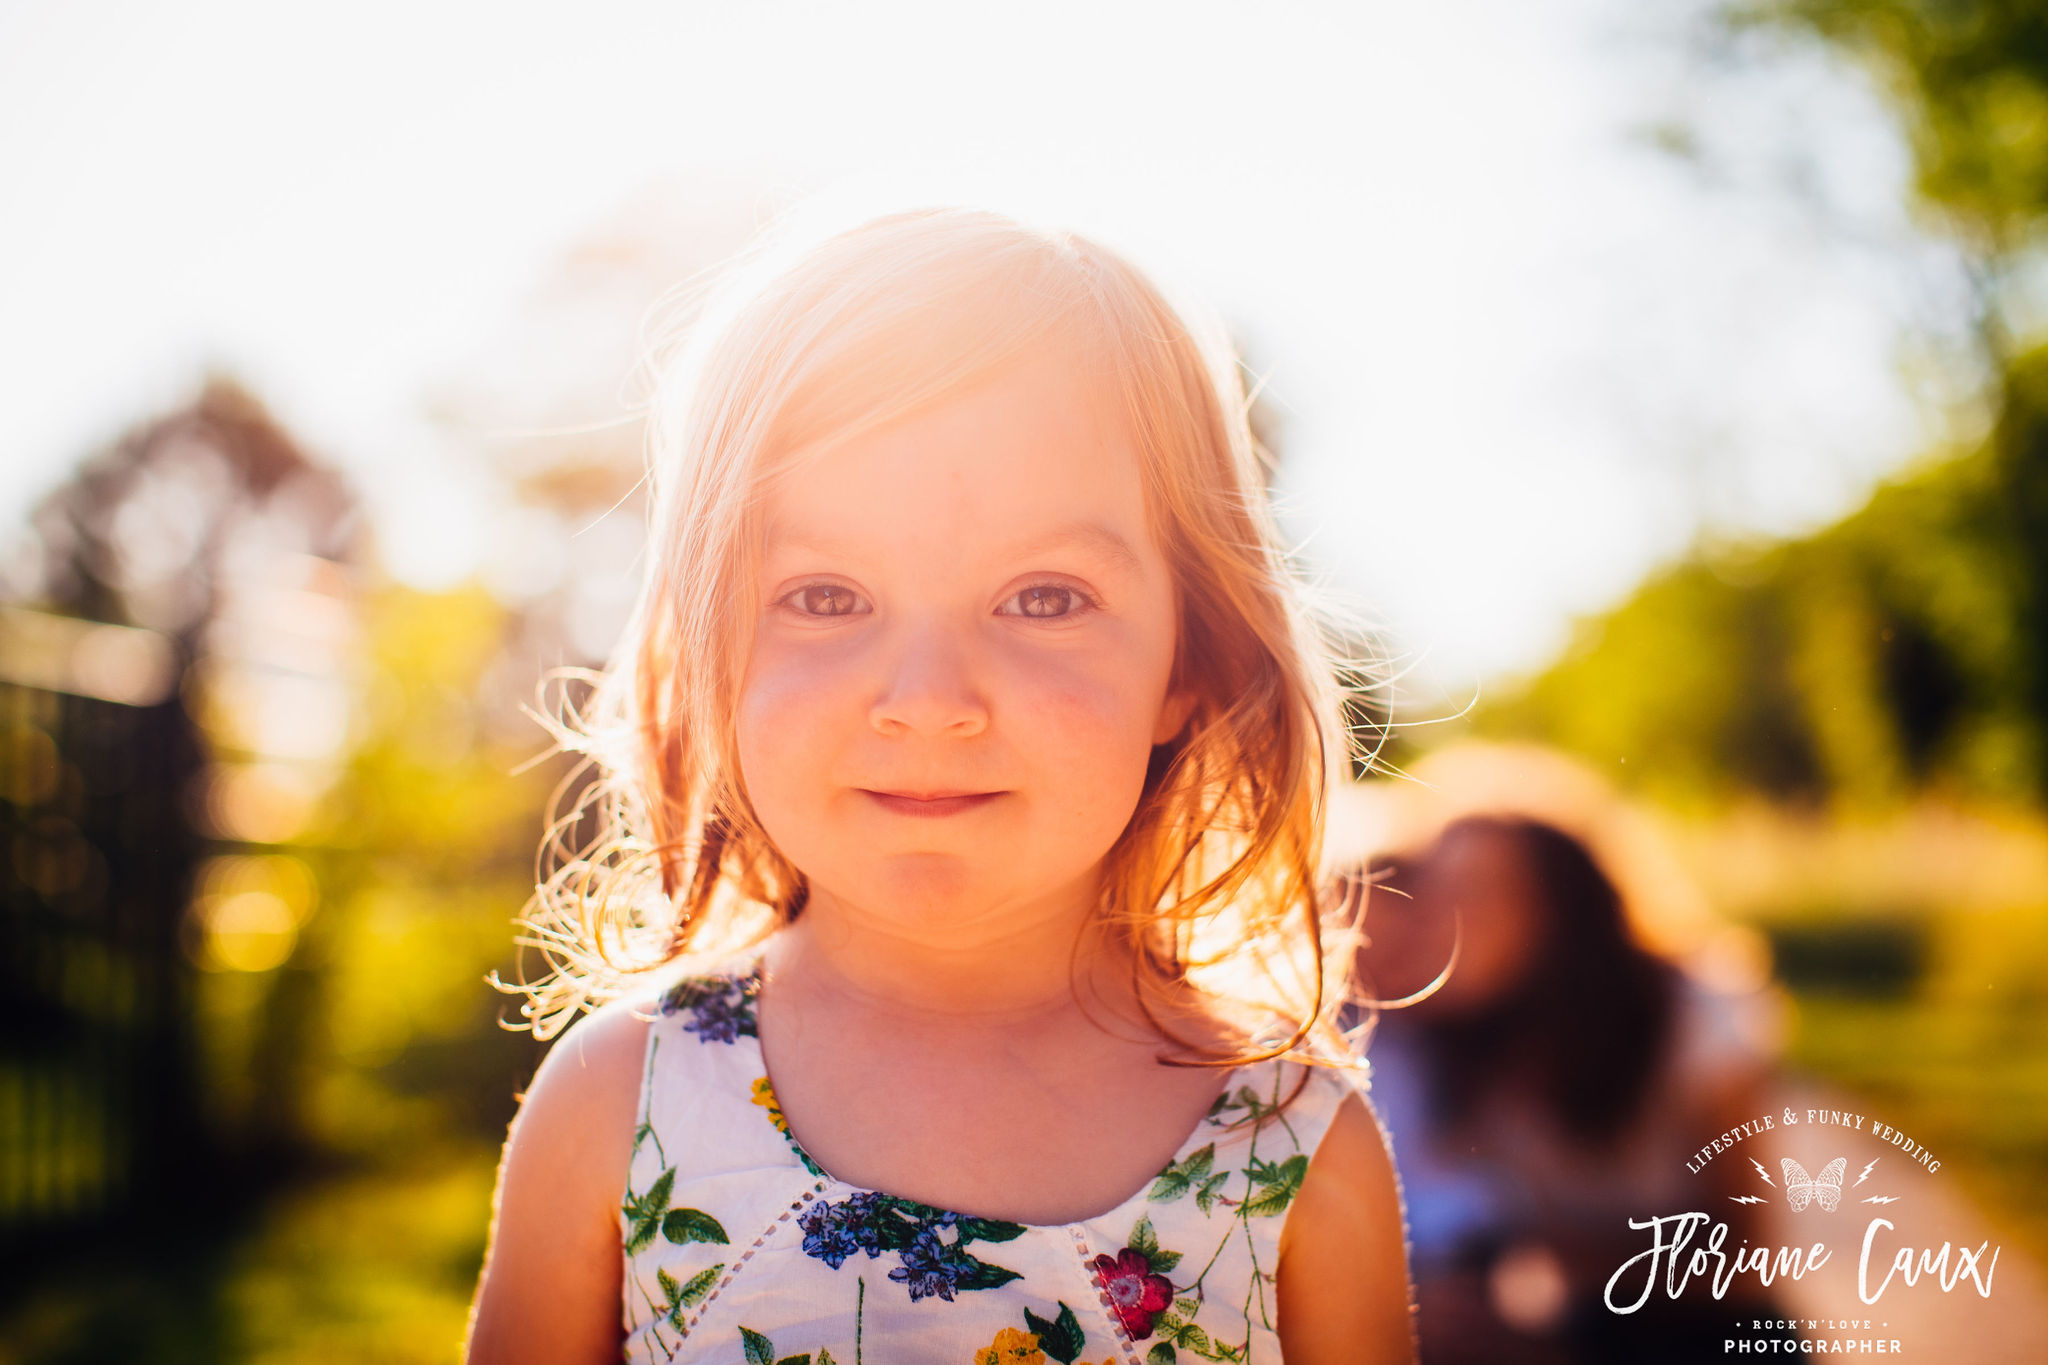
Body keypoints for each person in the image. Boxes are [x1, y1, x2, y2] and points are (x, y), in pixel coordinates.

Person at [463, 206, 1417, 1365]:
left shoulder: (1288, 1143)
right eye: (823, 596)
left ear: (1191, 662)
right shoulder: (624, 1105)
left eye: (1044, 597)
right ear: (711, 651)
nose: (925, 697)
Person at [1349, 814, 1789, 1363]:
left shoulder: (1690, 1014)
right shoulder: (1442, 1038)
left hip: (1707, 1335)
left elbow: (1747, 1255)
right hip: (1561, 1326)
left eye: (1479, 892)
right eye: (1437, 891)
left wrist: (1546, 1275)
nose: (1446, 918)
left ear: (1559, 909)